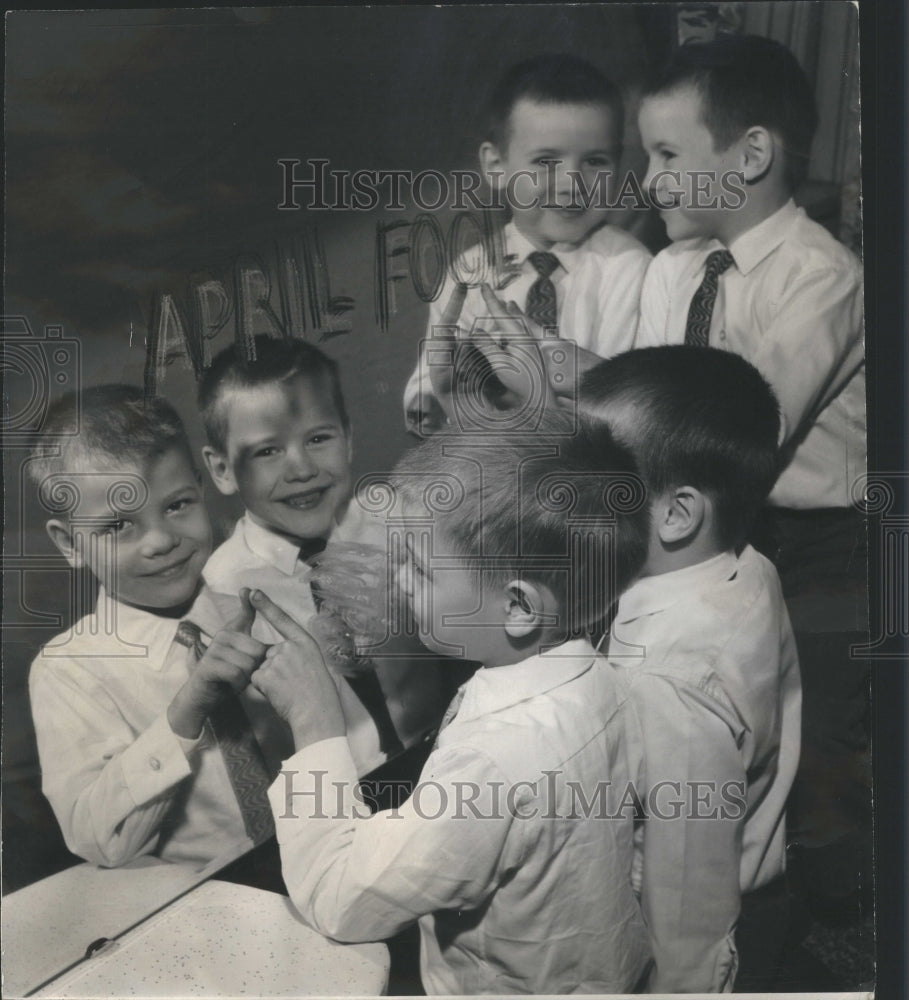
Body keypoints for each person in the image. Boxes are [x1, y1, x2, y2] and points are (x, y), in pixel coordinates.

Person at [249, 414, 653, 994]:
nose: (402, 578)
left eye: (419, 567)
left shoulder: (494, 763)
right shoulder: (603, 680)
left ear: (517, 607)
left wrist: (315, 720)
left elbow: (339, 899)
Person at [633, 33, 868, 918]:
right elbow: (642, 420)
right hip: (709, 537)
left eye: (665, 155)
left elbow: (738, 432)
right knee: (727, 735)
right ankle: (726, 895)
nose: (648, 180)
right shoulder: (668, 271)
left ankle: (832, 929)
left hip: (821, 549)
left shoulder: (824, 278)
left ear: (752, 152)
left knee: (821, 761)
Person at [581, 346, 801, 992]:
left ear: (676, 514)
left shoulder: (664, 679)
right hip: (757, 866)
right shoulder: (747, 564)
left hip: (685, 933)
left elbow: (685, 908)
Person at [28, 385, 285, 869]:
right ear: (70, 543)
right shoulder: (69, 670)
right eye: (119, 526)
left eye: (177, 505)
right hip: (212, 906)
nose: (162, 541)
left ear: (201, 488)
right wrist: (185, 713)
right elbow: (101, 842)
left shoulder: (265, 597)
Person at [199, 335, 447, 774]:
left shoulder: (400, 522)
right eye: (268, 451)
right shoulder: (218, 591)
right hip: (337, 799)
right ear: (222, 470)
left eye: (318, 438)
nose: (301, 469)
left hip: (451, 754)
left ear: (348, 438)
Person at [404, 52, 651, 435]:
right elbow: (436, 363)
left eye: (596, 161)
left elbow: (631, 393)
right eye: (546, 161)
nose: (572, 183)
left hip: (589, 454)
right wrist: (426, 401)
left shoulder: (630, 267)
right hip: (492, 452)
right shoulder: (470, 271)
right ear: (496, 167)